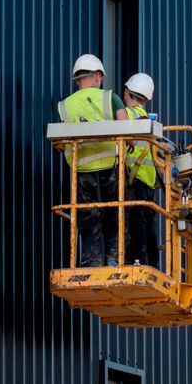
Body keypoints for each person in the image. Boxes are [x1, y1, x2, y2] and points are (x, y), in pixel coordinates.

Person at [58, 53, 119, 266]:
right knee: (114, 215)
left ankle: (92, 262)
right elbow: (126, 127)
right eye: (100, 78)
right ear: (96, 76)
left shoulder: (65, 105)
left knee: (88, 218)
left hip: (82, 170)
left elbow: (62, 141)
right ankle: (114, 261)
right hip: (110, 167)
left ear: (77, 80)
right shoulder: (109, 97)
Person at [116, 72, 161, 268]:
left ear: (126, 92)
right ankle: (151, 263)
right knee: (147, 223)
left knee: (135, 224)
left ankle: (137, 261)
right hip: (148, 180)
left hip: (135, 179)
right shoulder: (149, 121)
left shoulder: (128, 115)